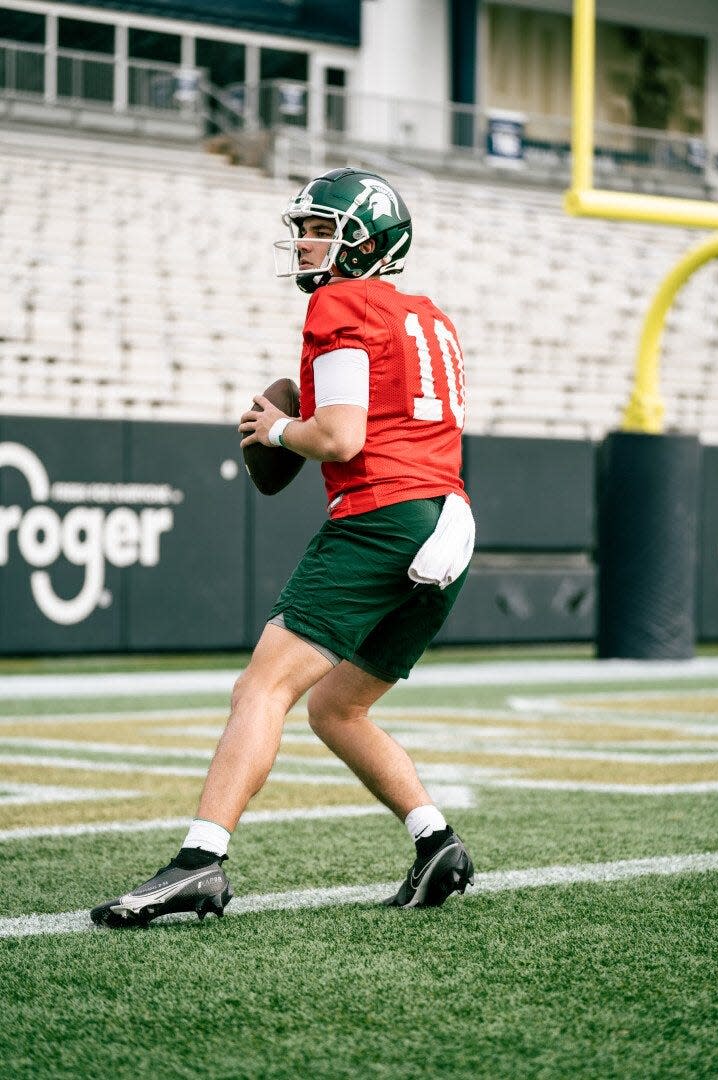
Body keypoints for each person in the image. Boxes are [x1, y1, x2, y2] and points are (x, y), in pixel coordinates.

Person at [91, 168, 476, 928]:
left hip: (382, 518)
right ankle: (437, 841)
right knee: (339, 708)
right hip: (448, 521)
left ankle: (200, 862)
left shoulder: (340, 302)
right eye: (304, 228)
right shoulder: (426, 315)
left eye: (323, 229)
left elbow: (339, 436)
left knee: (260, 688)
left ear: (364, 244)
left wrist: (272, 430)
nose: (306, 242)